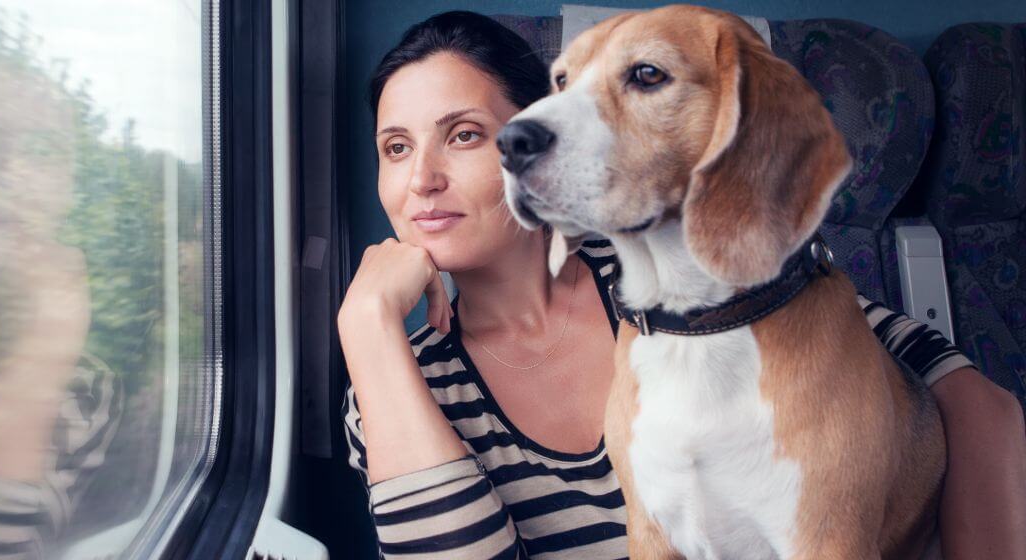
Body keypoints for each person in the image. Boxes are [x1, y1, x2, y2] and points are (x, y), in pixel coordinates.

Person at [338, 10, 1026, 559]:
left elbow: (967, 400)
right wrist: (367, 327)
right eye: (395, 148)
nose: (420, 180)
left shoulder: (681, 274)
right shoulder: (395, 385)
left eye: (464, 135)